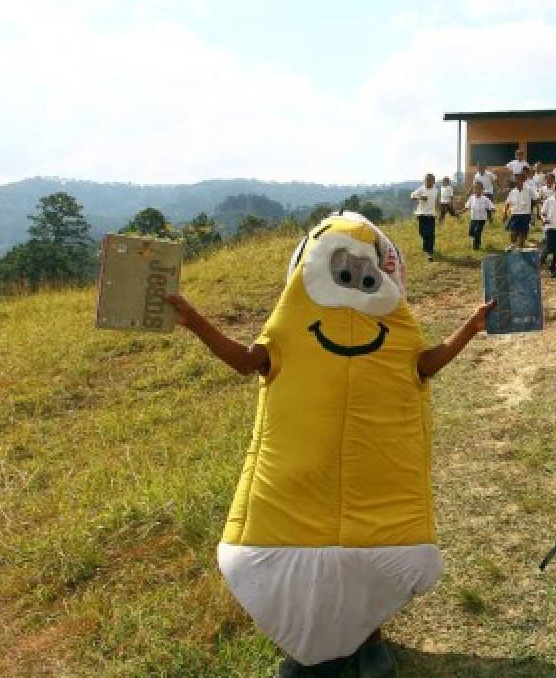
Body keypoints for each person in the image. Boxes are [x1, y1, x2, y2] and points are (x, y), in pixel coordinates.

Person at [165, 212, 495, 678]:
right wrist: (193, 319)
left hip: (372, 475)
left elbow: (425, 364)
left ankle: (369, 637)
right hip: (302, 478)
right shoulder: (290, 328)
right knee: (304, 563)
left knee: (373, 557)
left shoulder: (395, 332)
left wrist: (469, 327)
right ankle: (310, 648)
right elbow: (245, 361)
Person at [410, 173, 439, 261]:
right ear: (424, 181)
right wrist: (420, 198)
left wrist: (439, 212)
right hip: (421, 214)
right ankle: (426, 247)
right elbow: (412, 196)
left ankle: (429, 252)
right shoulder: (421, 189)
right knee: (422, 232)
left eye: (430, 180)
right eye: (427, 180)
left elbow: (436, 201)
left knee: (430, 233)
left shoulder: (435, 190)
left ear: (434, 181)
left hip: (431, 215)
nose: (428, 182)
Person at [503, 170, 533, 250]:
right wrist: (505, 213)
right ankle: (512, 245)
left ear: (524, 180)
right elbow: (507, 203)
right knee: (513, 232)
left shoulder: (529, 190)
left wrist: (538, 212)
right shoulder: (512, 192)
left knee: (523, 233)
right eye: (516, 179)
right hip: (515, 215)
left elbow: (536, 200)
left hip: (525, 215)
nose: (518, 181)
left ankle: (521, 247)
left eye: (520, 179)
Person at [464, 182, 495, 250]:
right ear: (473, 190)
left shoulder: (485, 199)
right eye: (475, 188)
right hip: (473, 218)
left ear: (482, 190)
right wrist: (463, 210)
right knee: (471, 232)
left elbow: (490, 205)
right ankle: (478, 240)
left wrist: (492, 209)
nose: (477, 190)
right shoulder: (471, 198)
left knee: (477, 231)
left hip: (481, 218)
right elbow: (467, 206)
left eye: (479, 189)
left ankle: (476, 246)